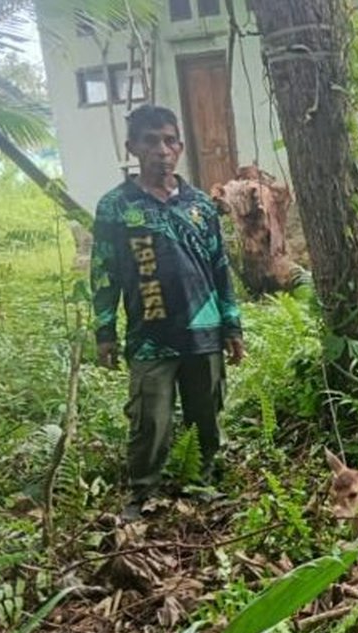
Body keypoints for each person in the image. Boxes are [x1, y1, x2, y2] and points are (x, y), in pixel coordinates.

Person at [91, 104, 245, 516]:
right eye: (151, 141)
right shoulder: (116, 207)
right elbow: (104, 272)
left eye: (170, 140)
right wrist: (105, 331)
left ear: (180, 146)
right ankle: (143, 493)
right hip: (149, 338)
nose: (162, 149)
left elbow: (220, 267)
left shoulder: (199, 205)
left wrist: (233, 326)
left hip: (205, 331)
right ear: (133, 147)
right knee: (150, 420)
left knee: (206, 415)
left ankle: (204, 483)